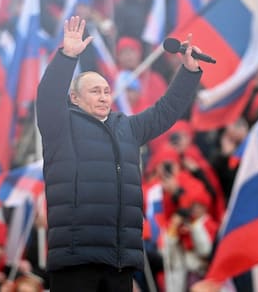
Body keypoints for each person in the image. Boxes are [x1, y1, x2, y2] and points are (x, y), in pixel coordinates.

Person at [36, 16, 202, 292]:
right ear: (74, 98)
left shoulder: (127, 127)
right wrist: (67, 57)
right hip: (76, 260)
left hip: (119, 260)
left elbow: (165, 112)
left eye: (106, 91)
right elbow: (49, 95)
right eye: (94, 91)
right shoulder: (60, 126)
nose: (103, 97)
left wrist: (188, 72)